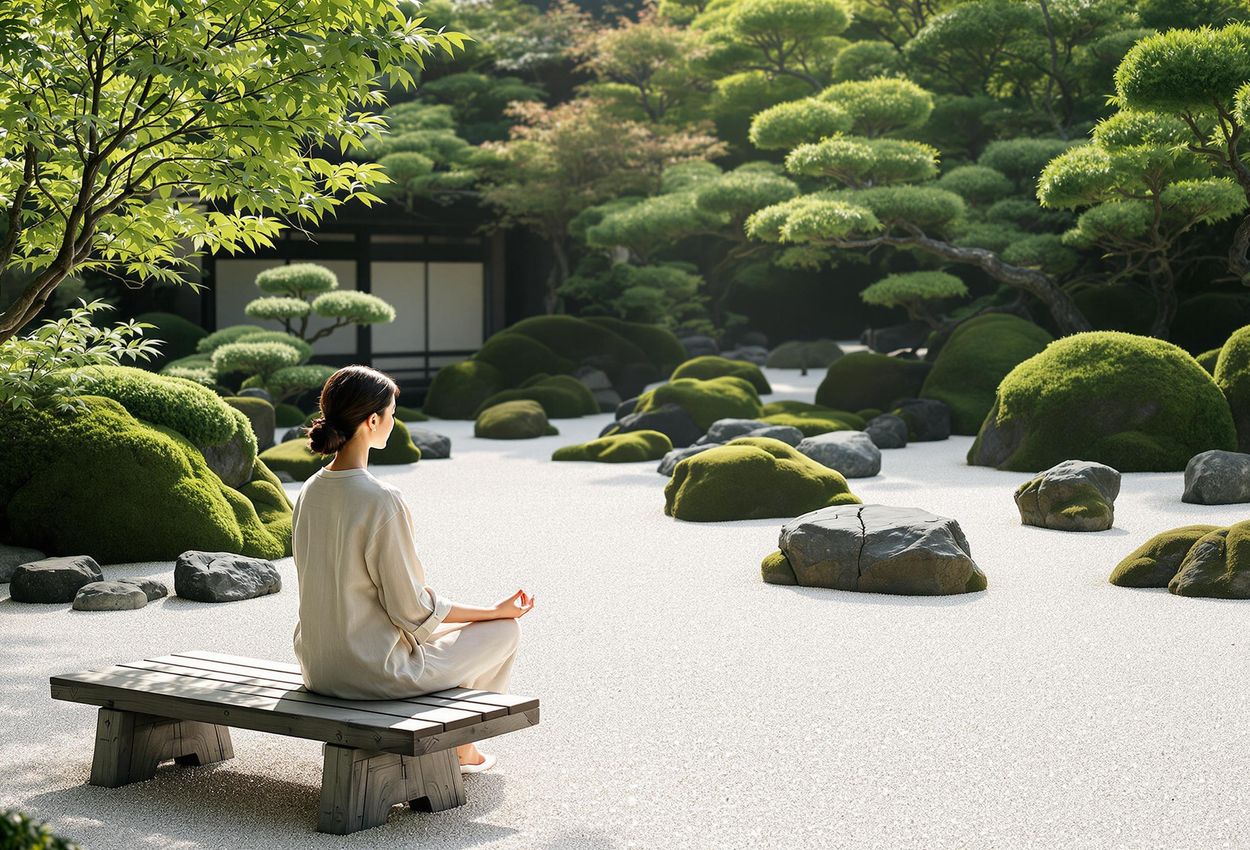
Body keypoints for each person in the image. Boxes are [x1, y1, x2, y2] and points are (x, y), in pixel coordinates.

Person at [290, 365, 535, 773]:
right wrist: (494, 612)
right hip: (371, 671)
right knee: (505, 631)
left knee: (453, 630)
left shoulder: (309, 490)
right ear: (372, 422)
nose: (393, 421)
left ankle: (458, 741)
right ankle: (463, 747)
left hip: (317, 665)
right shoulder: (380, 499)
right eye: (391, 413)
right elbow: (412, 610)